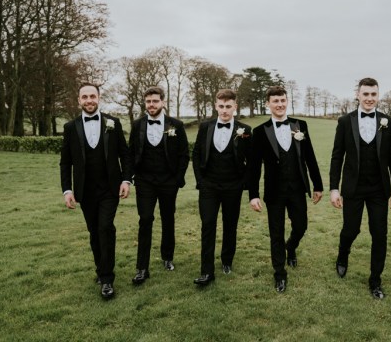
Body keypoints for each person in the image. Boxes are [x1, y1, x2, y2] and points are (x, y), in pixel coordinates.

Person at [329, 77, 391, 299]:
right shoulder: (344, 121)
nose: (370, 98)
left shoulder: (388, 122)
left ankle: (375, 281)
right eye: (366, 94)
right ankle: (343, 255)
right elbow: (336, 157)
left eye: (373, 94)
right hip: (353, 188)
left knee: (379, 234)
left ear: (378, 96)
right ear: (358, 95)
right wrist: (334, 188)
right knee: (351, 230)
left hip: (379, 189)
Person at [60, 83, 132, 300]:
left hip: (110, 188)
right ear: (79, 100)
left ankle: (107, 280)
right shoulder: (70, 127)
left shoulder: (113, 123)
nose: (89, 100)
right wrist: (67, 190)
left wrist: (126, 180)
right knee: (94, 232)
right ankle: (100, 270)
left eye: (93, 96)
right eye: (85, 97)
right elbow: (65, 162)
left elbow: (125, 154)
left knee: (105, 228)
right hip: (85, 191)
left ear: (99, 98)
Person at [249, 85, 323, 293]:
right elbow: (254, 167)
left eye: (282, 100)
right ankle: (279, 273)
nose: (279, 104)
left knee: (301, 226)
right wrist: (253, 195)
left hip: (297, 187)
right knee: (276, 232)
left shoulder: (301, 125)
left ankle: (291, 247)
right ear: (268, 104)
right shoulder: (260, 131)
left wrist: (317, 185)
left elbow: (310, 157)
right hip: (274, 191)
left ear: (286, 101)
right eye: (275, 101)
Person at [129, 86, 189, 285]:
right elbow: (131, 153)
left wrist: (177, 179)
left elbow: (183, 154)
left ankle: (167, 257)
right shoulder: (137, 125)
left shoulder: (176, 125)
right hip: (145, 181)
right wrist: (130, 177)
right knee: (145, 219)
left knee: (167, 219)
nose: (151, 105)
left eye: (155, 101)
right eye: (148, 102)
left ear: (162, 102)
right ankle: (141, 267)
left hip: (168, 182)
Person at [191, 89, 252, 286]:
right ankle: (206, 271)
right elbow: (197, 154)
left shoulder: (245, 130)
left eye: (228, 106)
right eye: (221, 106)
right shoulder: (205, 127)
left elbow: (251, 161)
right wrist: (200, 180)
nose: (224, 110)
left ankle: (227, 261)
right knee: (208, 225)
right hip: (209, 186)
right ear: (215, 106)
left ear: (235, 107)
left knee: (230, 225)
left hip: (233, 186)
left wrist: (243, 183)